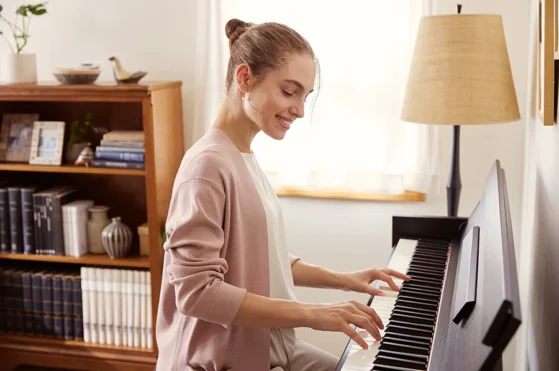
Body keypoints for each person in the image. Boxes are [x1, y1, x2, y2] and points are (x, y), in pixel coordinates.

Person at [155, 18, 411, 371]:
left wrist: (344, 279)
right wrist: (312, 314)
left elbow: (261, 254)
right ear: (245, 79)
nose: (300, 110)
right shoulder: (207, 166)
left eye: (305, 96)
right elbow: (197, 293)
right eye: (289, 92)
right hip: (221, 360)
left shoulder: (241, 155)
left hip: (271, 347)